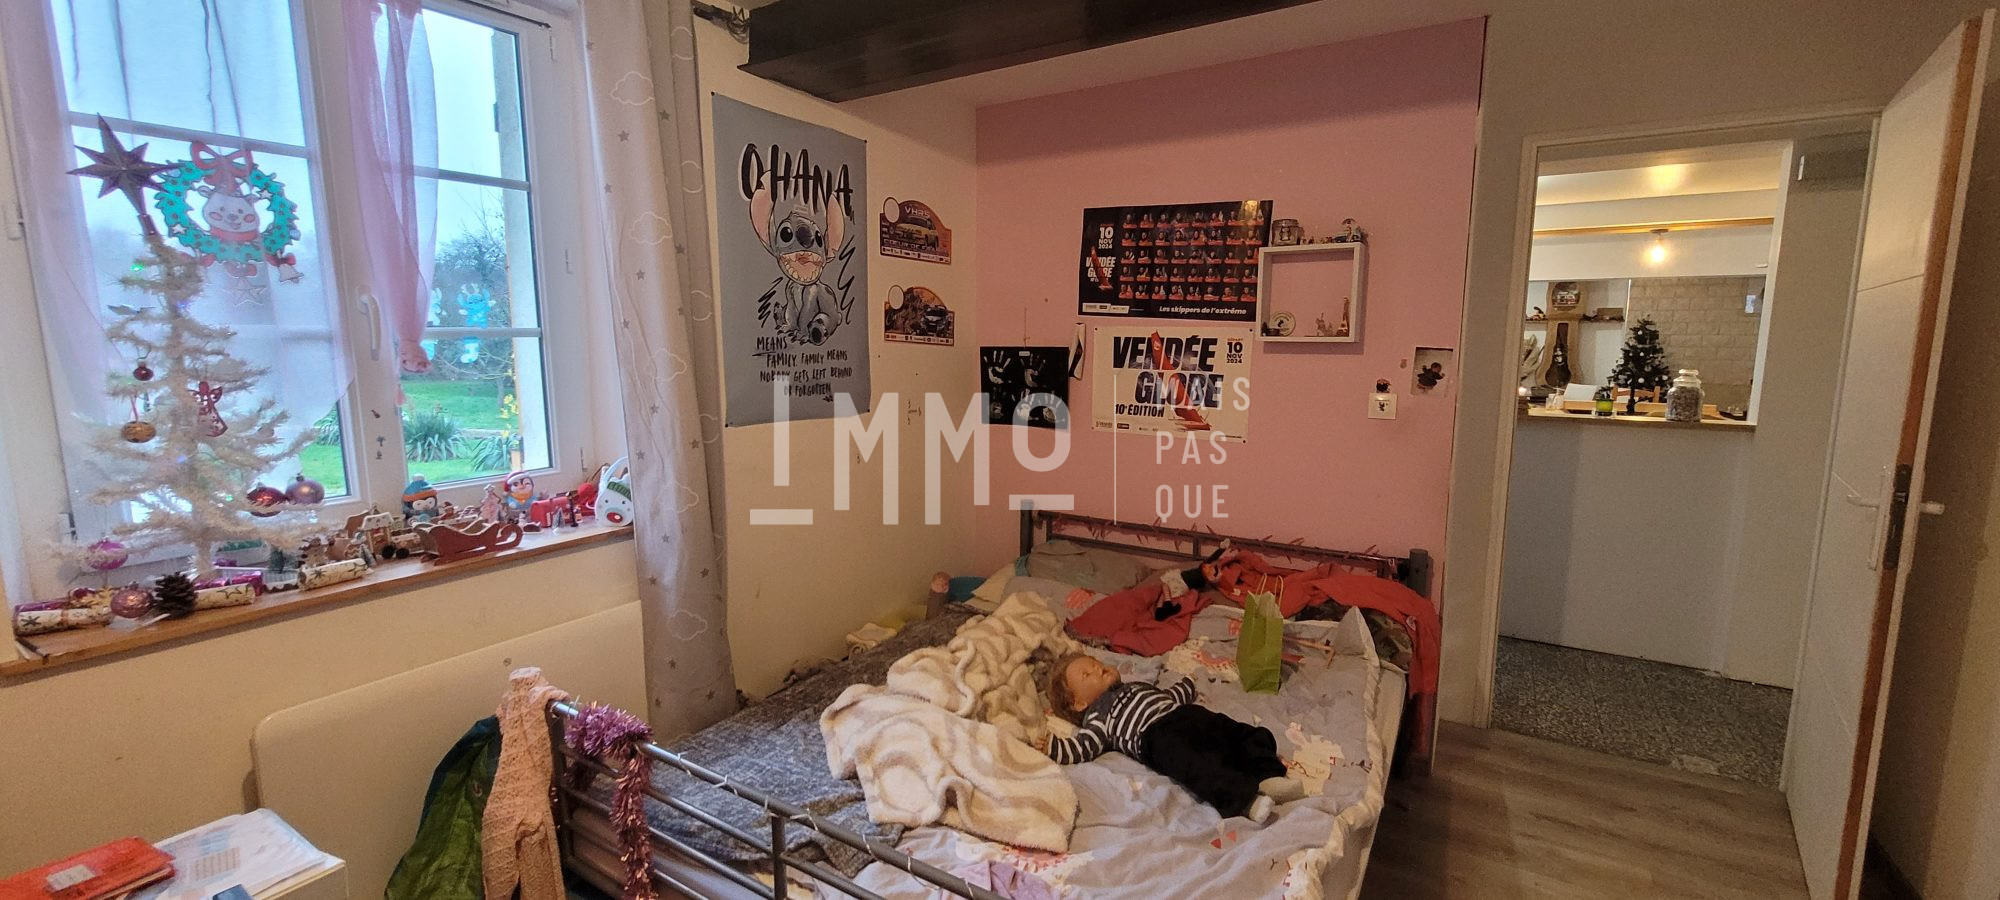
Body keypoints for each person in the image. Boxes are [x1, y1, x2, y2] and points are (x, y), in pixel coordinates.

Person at [1038, 652, 1304, 822]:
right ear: (1078, 703)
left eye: (1096, 664)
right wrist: (1053, 747)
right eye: (1087, 674)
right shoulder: (1097, 717)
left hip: (1185, 714)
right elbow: (1084, 746)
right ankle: (1244, 800)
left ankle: (1268, 776)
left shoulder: (1135, 686)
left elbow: (1167, 697)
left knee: (1242, 733)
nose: (1098, 669)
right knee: (1197, 765)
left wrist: (1186, 685)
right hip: (1155, 736)